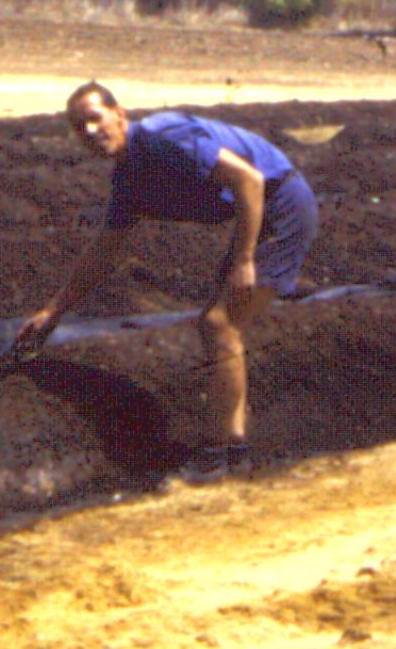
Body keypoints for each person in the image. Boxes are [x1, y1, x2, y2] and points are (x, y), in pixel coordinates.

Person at [17, 81, 318, 481]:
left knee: (219, 324)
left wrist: (245, 259)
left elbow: (250, 181)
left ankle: (223, 453)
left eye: (95, 119)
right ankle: (232, 449)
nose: (89, 132)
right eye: (78, 128)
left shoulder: (165, 137)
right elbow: (104, 251)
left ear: (119, 114)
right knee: (221, 325)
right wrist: (54, 311)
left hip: (282, 204)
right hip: (262, 210)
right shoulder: (129, 181)